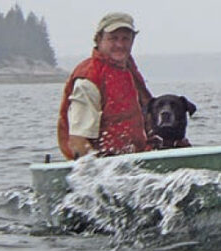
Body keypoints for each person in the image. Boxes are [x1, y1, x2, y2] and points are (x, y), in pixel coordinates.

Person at [57, 12, 153, 159]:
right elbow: (78, 141)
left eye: (125, 39)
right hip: (104, 166)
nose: (120, 45)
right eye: (113, 39)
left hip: (134, 160)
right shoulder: (89, 79)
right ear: (99, 40)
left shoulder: (128, 69)